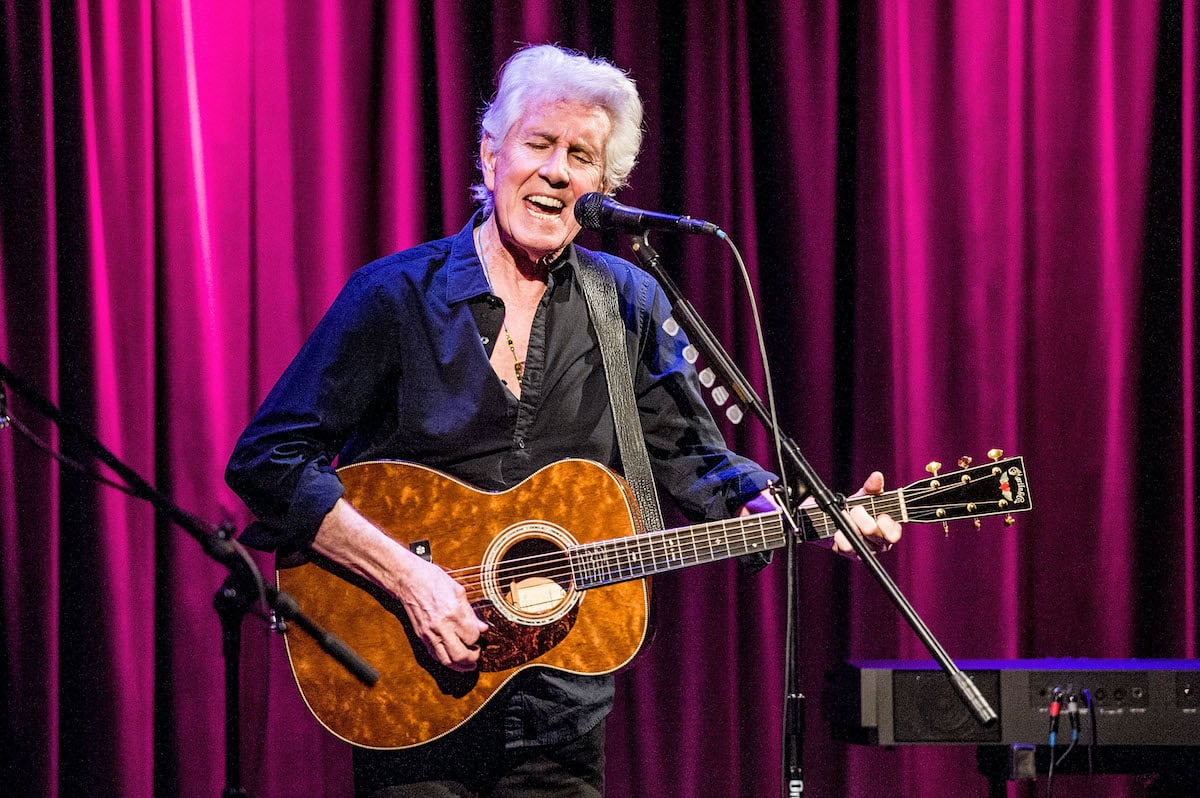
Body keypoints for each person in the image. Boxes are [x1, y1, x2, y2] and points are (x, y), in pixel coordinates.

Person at [225, 44, 901, 798]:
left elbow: (697, 460)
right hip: (410, 694)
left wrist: (802, 511)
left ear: (602, 187)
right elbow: (268, 461)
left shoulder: (628, 302)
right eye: (539, 144)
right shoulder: (395, 298)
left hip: (562, 711)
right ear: (490, 155)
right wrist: (413, 580)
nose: (556, 171)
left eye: (581, 156)